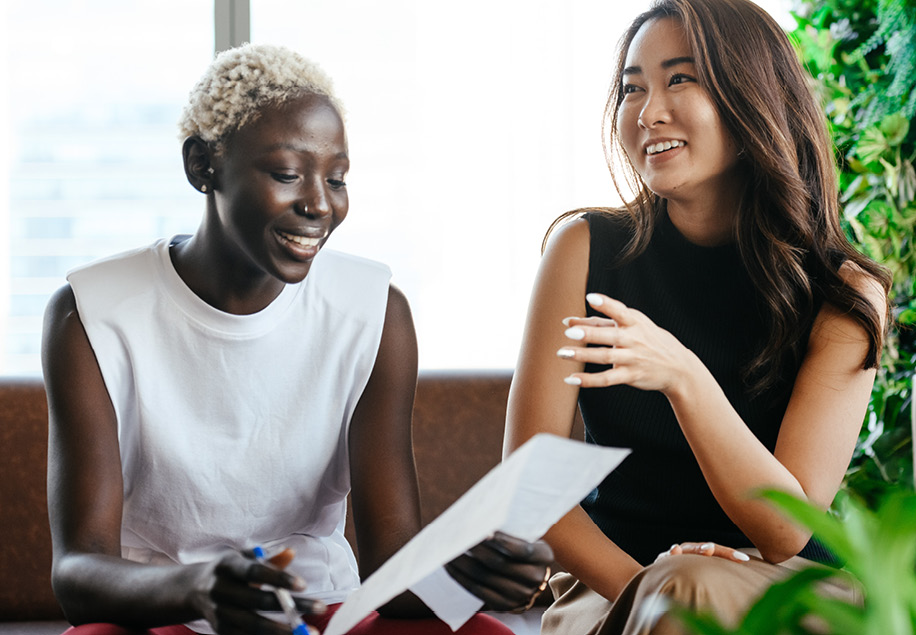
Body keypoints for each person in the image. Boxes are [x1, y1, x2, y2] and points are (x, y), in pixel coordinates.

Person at [42, 43, 552, 635]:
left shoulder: (374, 312)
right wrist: (198, 587)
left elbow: (392, 565)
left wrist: (468, 574)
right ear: (202, 167)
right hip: (167, 611)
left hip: (320, 612)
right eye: (287, 174)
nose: (318, 204)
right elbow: (77, 573)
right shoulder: (92, 313)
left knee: (486, 632)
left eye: (336, 179)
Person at [503, 1, 891, 633]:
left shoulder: (843, 294)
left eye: (680, 79)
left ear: (752, 99)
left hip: (785, 583)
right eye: (633, 88)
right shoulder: (583, 250)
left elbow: (789, 526)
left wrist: (684, 376)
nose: (648, 111)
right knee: (679, 596)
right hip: (615, 580)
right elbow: (530, 485)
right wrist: (654, 593)